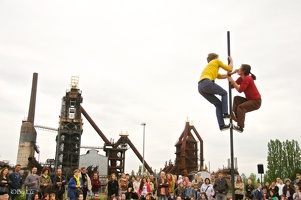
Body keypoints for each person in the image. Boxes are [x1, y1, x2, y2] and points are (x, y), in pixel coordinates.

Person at [198, 53, 233, 131]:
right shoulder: (216, 61)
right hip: (206, 83)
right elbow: (229, 69)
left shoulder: (211, 68)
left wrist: (231, 74)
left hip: (200, 87)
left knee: (218, 104)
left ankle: (222, 126)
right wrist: (231, 61)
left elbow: (220, 76)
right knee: (224, 93)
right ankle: (225, 114)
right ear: (215, 58)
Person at [227, 64, 261, 133]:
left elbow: (240, 90)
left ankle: (240, 127)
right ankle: (236, 116)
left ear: (243, 71)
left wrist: (233, 81)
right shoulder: (240, 79)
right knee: (236, 99)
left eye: (240, 68)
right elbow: (231, 86)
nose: (238, 69)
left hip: (256, 101)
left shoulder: (248, 78)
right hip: (250, 100)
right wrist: (232, 73)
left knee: (241, 107)